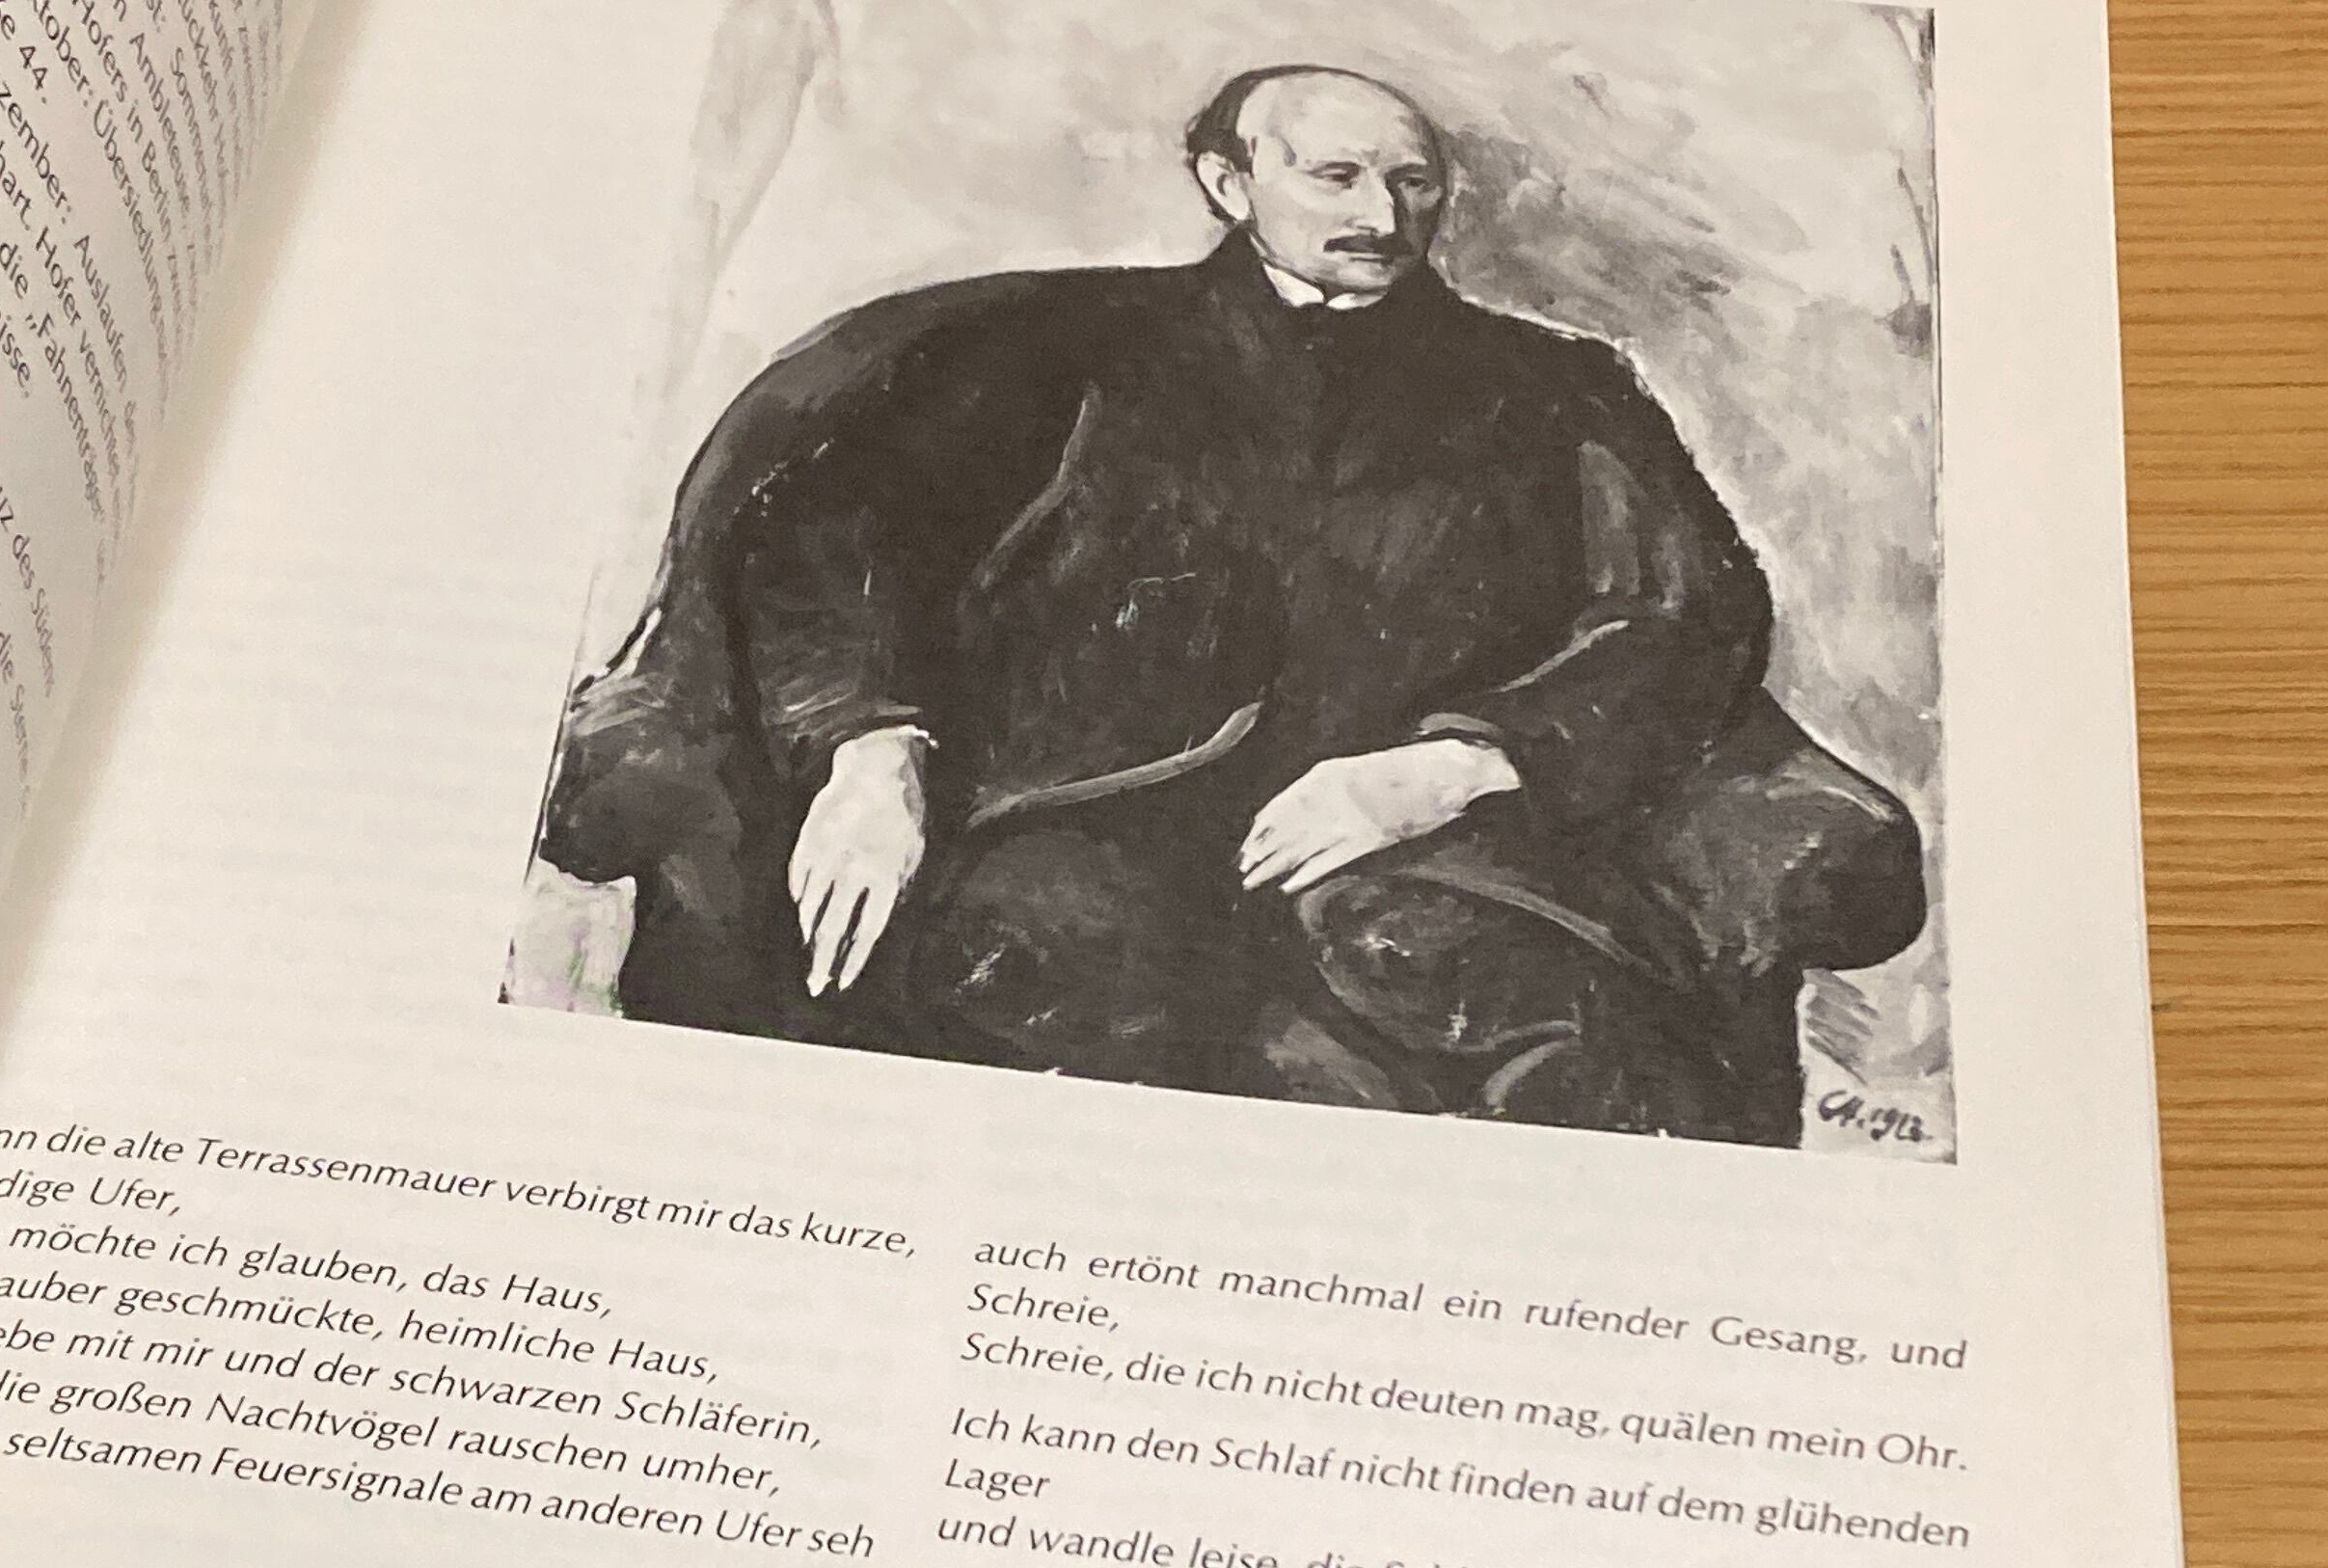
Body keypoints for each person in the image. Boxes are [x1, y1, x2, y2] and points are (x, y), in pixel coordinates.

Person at [540, 66, 1924, 1142]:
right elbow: (830, 535)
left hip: (1429, 845)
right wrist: (869, 747)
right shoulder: (1049, 349)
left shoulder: (1558, 390)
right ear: (1226, 180)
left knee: (1558, 1038)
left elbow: (1690, 615)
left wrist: (1461, 763)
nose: (1382, 214)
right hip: (1061, 816)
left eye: (1414, 183)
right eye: (1336, 174)